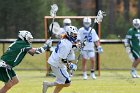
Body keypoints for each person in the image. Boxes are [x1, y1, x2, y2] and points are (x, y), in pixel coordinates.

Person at [42, 26, 78, 93]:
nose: (75, 36)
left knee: (62, 82)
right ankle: (48, 84)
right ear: (69, 33)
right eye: (74, 34)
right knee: (67, 83)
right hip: (57, 65)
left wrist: (78, 45)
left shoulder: (66, 41)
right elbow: (62, 59)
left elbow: (71, 46)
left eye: (76, 34)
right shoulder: (66, 44)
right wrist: (70, 66)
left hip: (57, 63)